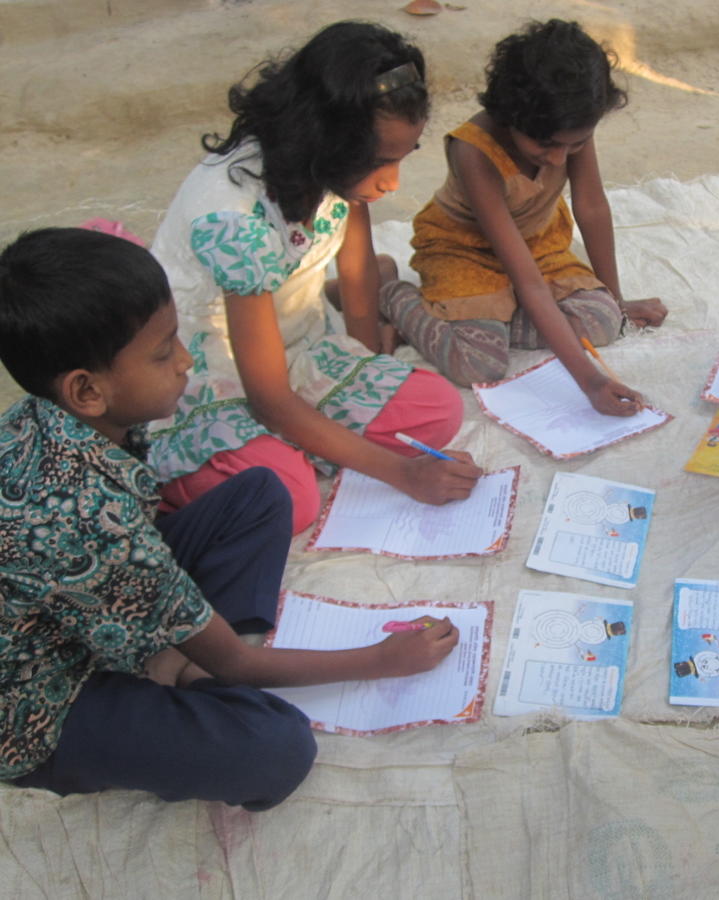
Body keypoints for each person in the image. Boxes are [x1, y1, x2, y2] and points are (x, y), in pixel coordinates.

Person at [0, 228, 460, 809]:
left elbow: (131, 547)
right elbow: (235, 659)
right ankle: (183, 670)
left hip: (81, 601)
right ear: (86, 390)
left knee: (261, 492)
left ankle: (182, 660)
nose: (187, 362)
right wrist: (383, 660)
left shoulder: (64, 420)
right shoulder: (89, 514)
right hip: (41, 697)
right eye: (164, 351)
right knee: (276, 749)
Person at [150, 21, 482, 534]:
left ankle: (296, 447)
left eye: (401, 158)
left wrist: (366, 371)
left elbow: (357, 280)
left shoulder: (335, 170)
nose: (392, 182)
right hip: (212, 365)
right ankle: (186, 480)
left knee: (438, 408)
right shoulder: (232, 217)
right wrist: (402, 473)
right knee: (289, 500)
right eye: (380, 163)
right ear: (328, 140)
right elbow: (268, 399)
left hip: (294, 341)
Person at [386, 19, 668, 414]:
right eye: (546, 145)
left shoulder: (568, 127)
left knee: (605, 320)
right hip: (464, 251)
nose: (558, 158)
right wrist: (590, 381)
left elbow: (591, 207)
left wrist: (616, 301)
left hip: (537, 242)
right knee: (479, 364)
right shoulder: (475, 153)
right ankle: (392, 293)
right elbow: (529, 284)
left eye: (575, 145)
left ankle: (495, 320)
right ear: (509, 116)